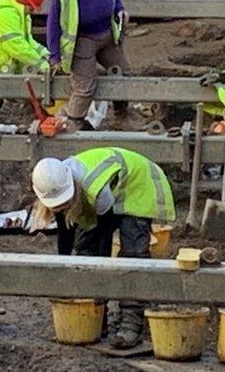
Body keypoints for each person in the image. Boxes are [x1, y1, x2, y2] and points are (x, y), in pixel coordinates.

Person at [29, 147, 175, 349]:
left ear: (71, 186)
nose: (61, 207)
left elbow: (103, 234)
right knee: (85, 251)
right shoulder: (57, 184)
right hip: (109, 190)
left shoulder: (93, 187)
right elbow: (66, 233)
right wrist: (65, 266)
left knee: (132, 256)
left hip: (138, 183)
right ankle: (96, 318)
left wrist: (98, 263)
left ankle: (131, 324)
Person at [47, 0, 129, 132]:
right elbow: (52, 24)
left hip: (107, 36)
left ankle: (121, 116)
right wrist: (55, 56)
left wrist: (120, 9)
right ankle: (73, 123)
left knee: (123, 73)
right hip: (82, 42)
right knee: (85, 87)